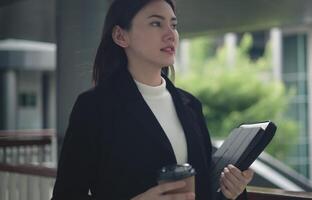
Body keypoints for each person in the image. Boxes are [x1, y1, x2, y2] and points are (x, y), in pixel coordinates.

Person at [51, 0, 254, 199]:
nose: (170, 34)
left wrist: (231, 190)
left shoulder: (191, 105)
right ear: (121, 36)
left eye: (173, 25)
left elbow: (205, 189)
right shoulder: (94, 107)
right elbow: (65, 195)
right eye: (156, 23)